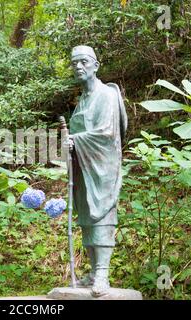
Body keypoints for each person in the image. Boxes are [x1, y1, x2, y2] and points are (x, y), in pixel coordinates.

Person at [66, 45, 127, 296]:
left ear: (95, 65)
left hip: (103, 166)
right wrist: (70, 144)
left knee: (102, 215)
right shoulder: (82, 100)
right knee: (87, 216)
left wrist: (76, 140)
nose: (78, 66)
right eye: (74, 63)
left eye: (83, 61)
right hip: (84, 166)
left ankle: (103, 273)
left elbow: (108, 133)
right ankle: (92, 272)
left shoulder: (106, 94)